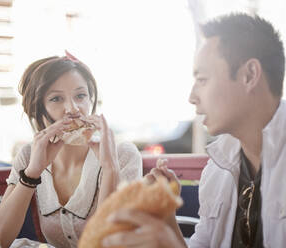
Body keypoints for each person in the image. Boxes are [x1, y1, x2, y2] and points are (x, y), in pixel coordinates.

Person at [102, 13, 286, 248]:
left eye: (202, 80)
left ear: (249, 75)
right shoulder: (218, 168)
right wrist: (167, 219)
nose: (191, 97)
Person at [0, 52, 143, 248]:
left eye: (80, 96)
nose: (73, 109)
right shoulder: (29, 156)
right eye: (56, 99)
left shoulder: (122, 154)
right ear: (35, 110)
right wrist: (31, 174)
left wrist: (110, 169)